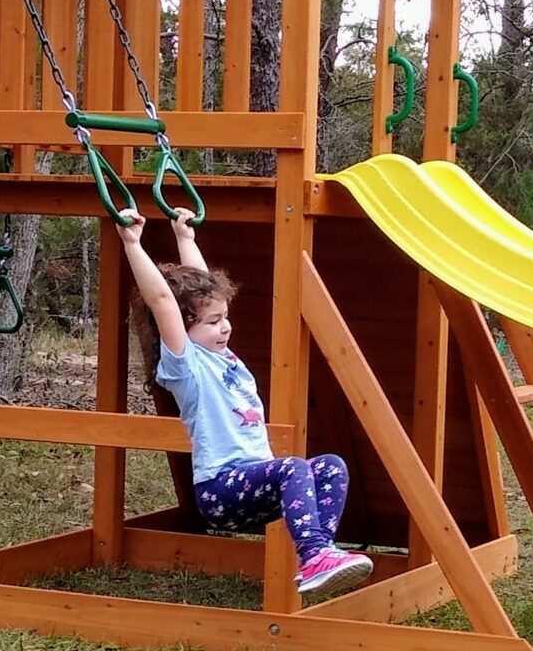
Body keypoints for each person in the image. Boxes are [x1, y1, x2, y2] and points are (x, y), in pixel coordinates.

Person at [116, 209, 374, 604]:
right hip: (222, 490)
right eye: (214, 322)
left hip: (254, 486)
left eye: (226, 318)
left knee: (331, 467)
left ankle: (319, 555)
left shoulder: (222, 355)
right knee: (293, 466)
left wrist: (185, 239)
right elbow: (164, 299)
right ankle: (315, 555)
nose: (225, 327)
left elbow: (201, 290)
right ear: (183, 329)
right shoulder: (187, 365)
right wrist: (132, 242)